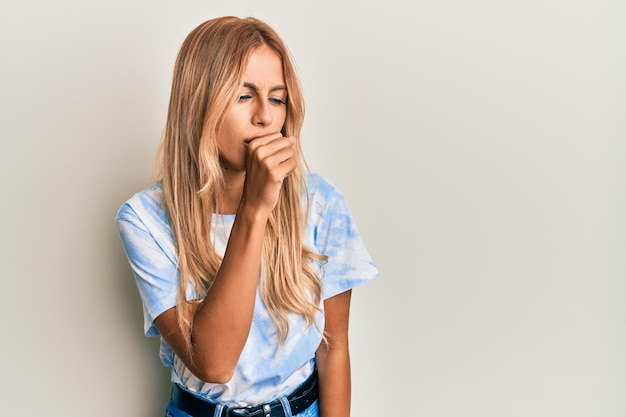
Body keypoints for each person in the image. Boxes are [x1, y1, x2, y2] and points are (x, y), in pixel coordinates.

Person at [115, 15, 378, 417]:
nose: (265, 117)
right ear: (199, 103)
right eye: (244, 96)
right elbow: (214, 363)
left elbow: (334, 345)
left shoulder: (321, 203)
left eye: (277, 98)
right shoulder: (145, 220)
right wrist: (255, 209)